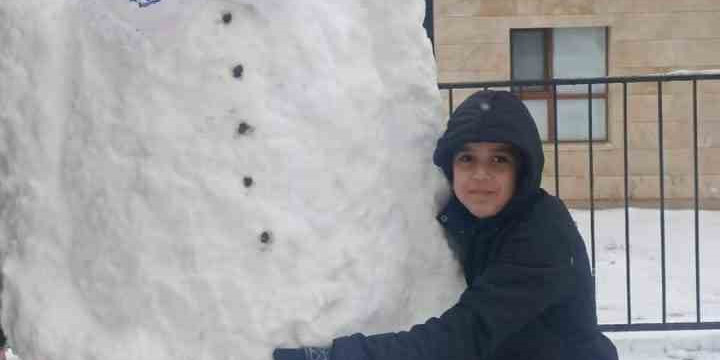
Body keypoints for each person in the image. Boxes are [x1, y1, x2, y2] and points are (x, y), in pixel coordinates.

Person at [273, 90, 619, 360]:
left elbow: (465, 335)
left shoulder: (542, 235)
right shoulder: (478, 219)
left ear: (521, 171)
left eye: (498, 160)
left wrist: (340, 355)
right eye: (467, 158)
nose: (480, 175)